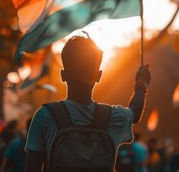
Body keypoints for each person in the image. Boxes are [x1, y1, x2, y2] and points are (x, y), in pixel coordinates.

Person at [25, 34, 151, 172]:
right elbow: (135, 112)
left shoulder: (45, 116)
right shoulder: (112, 117)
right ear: (98, 76)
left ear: (63, 75)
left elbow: (32, 168)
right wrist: (141, 83)